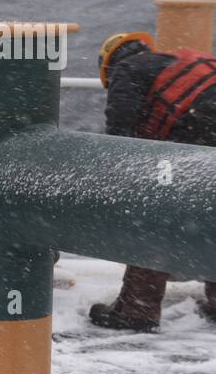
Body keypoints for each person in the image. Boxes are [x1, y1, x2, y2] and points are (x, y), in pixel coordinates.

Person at [89, 30, 216, 331]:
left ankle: (136, 311)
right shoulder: (185, 58)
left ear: (110, 65)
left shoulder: (128, 68)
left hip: (197, 130)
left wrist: (118, 172)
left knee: (154, 218)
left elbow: (120, 129)